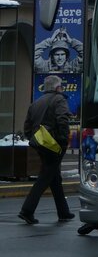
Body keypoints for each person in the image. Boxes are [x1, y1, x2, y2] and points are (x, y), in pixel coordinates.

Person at [18, 75, 74, 225]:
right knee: (46, 176)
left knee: (54, 177)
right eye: (61, 86)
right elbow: (62, 119)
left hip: (41, 144)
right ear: (57, 87)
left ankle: (63, 212)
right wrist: (63, 139)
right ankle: (27, 211)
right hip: (55, 144)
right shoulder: (59, 99)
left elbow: (27, 127)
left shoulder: (36, 103)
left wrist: (35, 140)